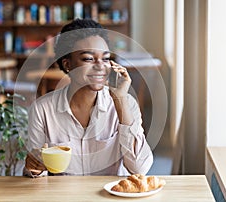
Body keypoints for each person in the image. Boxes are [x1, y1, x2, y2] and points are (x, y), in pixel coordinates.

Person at [23, 18, 153, 177]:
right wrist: (33, 167)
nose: (100, 66)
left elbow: (139, 169)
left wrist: (120, 101)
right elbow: (37, 174)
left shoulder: (127, 104)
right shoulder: (42, 109)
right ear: (67, 64)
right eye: (88, 58)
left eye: (105, 58)